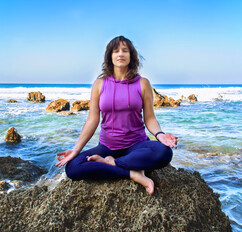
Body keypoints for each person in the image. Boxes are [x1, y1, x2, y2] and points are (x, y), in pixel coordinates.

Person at [56, 36, 177, 195]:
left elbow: (150, 118)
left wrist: (160, 135)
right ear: (110, 56)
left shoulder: (143, 83)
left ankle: (113, 164)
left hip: (137, 145)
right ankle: (132, 173)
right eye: (116, 51)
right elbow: (93, 120)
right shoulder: (99, 84)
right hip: (106, 147)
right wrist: (76, 149)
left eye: (125, 51)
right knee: (72, 168)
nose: (120, 54)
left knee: (165, 152)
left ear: (131, 56)